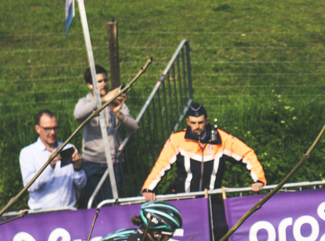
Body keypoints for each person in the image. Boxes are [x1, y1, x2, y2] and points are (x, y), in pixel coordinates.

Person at [141, 102, 266, 201]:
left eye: (200, 122)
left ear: (207, 121)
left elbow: (247, 154)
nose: (197, 127)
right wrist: (148, 189)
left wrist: (259, 180)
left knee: (221, 225)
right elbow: (161, 164)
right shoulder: (177, 140)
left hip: (212, 199)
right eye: (193, 123)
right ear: (188, 122)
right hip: (184, 198)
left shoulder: (222, 139)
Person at [73, 65, 137, 208]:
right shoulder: (85, 102)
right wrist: (102, 101)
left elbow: (134, 127)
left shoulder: (116, 102)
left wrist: (118, 113)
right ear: (90, 85)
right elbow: (77, 115)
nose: (104, 84)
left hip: (114, 163)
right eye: (99, 81)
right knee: (92, 204)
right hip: (91, 163)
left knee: (112, 205)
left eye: (105, 80)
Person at [20, 110, 86, 211]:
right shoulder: (28, 153)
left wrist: (78, 168)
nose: (52, 132)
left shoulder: (68, 148)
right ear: (38, 129)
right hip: (42, 213)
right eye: (47, 129)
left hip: (68, 211)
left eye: (55, 128)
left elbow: (81, 184)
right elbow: (30, 186)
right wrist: (49, 166)